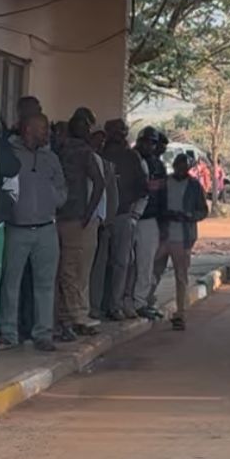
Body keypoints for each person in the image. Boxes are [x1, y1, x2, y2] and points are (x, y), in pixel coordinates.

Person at [0, 112, 67, 352]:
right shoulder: (11, 153)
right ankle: (8, 332)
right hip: (16, 228)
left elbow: (61, 187)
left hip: (47, 228)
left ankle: (43, 333)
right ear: (28, 129)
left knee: (45, 284)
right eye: (43, 128)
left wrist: (53, 200)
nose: (47, 132)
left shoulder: (51, 158)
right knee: (10, 283)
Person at [54, 112, 105, 341]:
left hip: (68, 217)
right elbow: (100, 183)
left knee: (69, 270)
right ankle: (75, 315)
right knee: (74, 271)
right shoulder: (77, 151)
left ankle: (73, 315)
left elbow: (99, 183)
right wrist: (88, 212)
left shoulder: (66, 150)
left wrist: (87, 212)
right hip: (72, 218)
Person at [151, 154, 209, 330]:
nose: (181, 170)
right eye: (178, 166)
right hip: (163, 235)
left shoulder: (194, 186)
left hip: (184, 237)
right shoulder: (164, 183)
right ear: (174, 165)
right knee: (153, 271)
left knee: (181, 276)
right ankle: (145, 302)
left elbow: (203, 211)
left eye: (184, 167)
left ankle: (180, 313)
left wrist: (188, 216)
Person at [104, 118, 146, 320]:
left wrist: (131, 209)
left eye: (122, 130)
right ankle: (98, 305)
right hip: (100, 218)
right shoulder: (99, 154)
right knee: (101, 265)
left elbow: (142, 187)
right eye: (115, 131)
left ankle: (117, 303)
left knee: (122, 262)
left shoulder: (132, 157)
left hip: (123, 215)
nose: (119, 134)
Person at [130, 127, 167, 321]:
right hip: (129, 216)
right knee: (126, 264)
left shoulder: (156, 165)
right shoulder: (131, 159)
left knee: (145, 264)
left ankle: (140, 301)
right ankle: (128, 301)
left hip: (149, 218)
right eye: (146, 142)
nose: (149, 146)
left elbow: (161, 196)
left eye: (152, 143)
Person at [88, 127, 118, 320]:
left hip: (103, 223)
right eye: (96, 140)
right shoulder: (84, 160)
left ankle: (97, 305)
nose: (100, 144)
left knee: (101, 267)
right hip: (88, 222)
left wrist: (107, 220)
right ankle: (89, 307)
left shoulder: (107, 165)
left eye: (102, 142)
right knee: (88, 270)